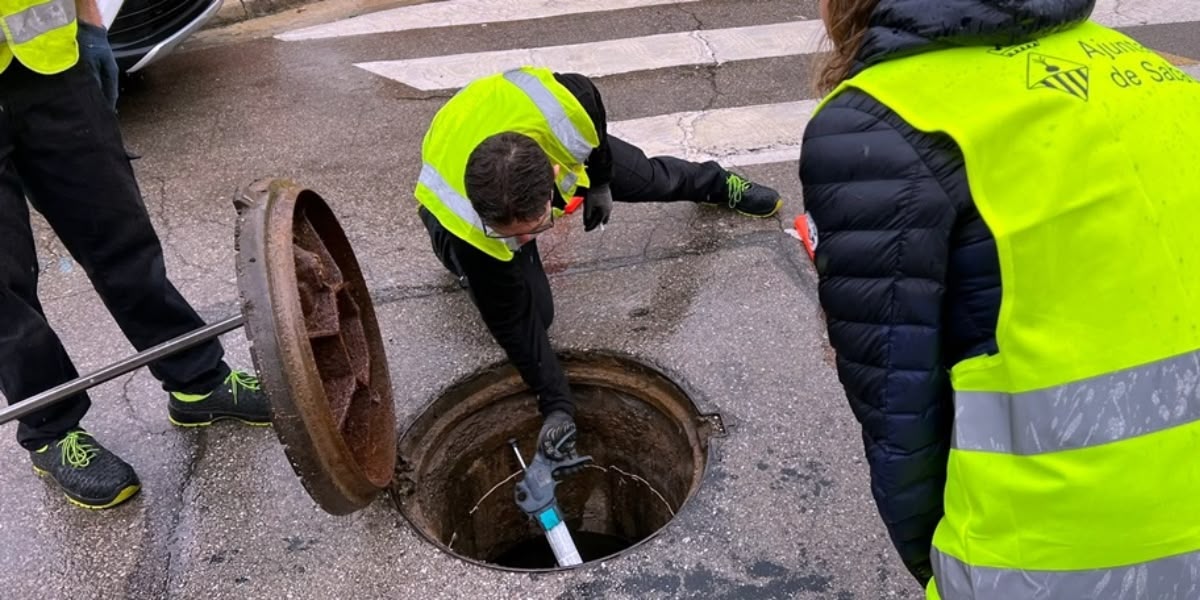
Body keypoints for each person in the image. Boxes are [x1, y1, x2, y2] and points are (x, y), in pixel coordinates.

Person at [798, 0, 1200, 598]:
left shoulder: (877, 122)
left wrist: (949, 572)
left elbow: (901, 426)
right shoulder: (1152, 70)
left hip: (1056, 564)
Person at [416, 66, 782, 465]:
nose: (524, 242)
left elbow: (590, 99)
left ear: (553, 180)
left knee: (650, 179)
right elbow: (514, 327)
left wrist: (602, 181)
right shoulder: (470, 226)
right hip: (455, 196)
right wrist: (558, 405)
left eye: (533, 228)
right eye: (511, 234)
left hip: (518, 139)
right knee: (535, 313)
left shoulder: (565, 113)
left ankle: (719, 183)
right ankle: (455, 256)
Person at [0, 0, 271, 510]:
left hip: (51, 65)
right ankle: (52, 431)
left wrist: (89, 24)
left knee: (120, 233)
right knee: (3, 285)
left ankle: (196, 380)